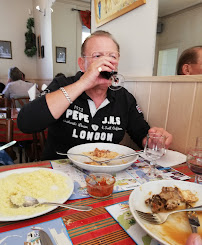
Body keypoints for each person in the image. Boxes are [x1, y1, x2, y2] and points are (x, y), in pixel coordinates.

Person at [17, 30, 172, 161]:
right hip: (59, 173)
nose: (106, 61)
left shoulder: (124, 98)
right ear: (81, 63)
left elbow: (141, 135)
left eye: (112, 56)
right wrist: (83, 83)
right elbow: (26, 123)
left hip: (105, 174)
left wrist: (153, 141)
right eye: (97, 56)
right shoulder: (62, 84)